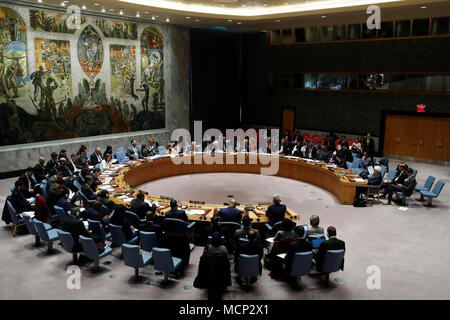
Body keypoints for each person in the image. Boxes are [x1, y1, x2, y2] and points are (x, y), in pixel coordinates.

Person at [194, 232, 231, 301]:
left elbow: (203, 258)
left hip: (208, 270)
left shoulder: (207, 247)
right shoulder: (223, 248)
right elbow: (227, 259)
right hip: (221, 271)